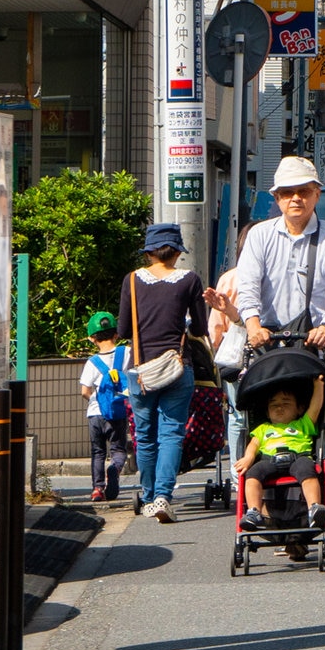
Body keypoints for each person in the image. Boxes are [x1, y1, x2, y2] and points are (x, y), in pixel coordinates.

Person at [236, 154, 325, 366]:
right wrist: (253, 324)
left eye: (304, 191)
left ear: (317, 195)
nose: (296, 198)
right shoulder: (259, 235)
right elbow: (247, 285)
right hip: (269, 345)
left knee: (321, 400)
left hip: (318, 346)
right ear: (277, 198)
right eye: (287, 192)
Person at [120, 224, 205, 522]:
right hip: (177, 366)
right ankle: (162, 498)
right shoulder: (189, 280)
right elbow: (199, 329)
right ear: (177, 251)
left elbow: (122, 329)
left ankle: (147, 495)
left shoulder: (131, 281)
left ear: (149, 251)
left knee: (144, 437)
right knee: (172, 434)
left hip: (141, 370)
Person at [235, 375, 325, 531]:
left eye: (286, 403)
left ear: (299, 408)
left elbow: (315, 407)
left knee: (307, 470)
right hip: (269, 460)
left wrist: (318, 386)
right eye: (274, 405)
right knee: (253, 474)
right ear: (268, 411)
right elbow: (253, 444)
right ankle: (254, 512)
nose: (279, 408)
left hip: (298, 458)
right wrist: (249, 457)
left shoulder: (303, 423)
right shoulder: (263, 428)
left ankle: (314, 507)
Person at [77, 312, 130, 502]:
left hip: (95, 414)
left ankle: (97, 489)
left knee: (98, 452)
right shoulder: (126, 353)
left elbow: (85, 390)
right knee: (118, 450)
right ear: (116, 334)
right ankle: (115, 468)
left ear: (92, 338)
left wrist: (94, 400)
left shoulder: (92, 362)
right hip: (117, 411)